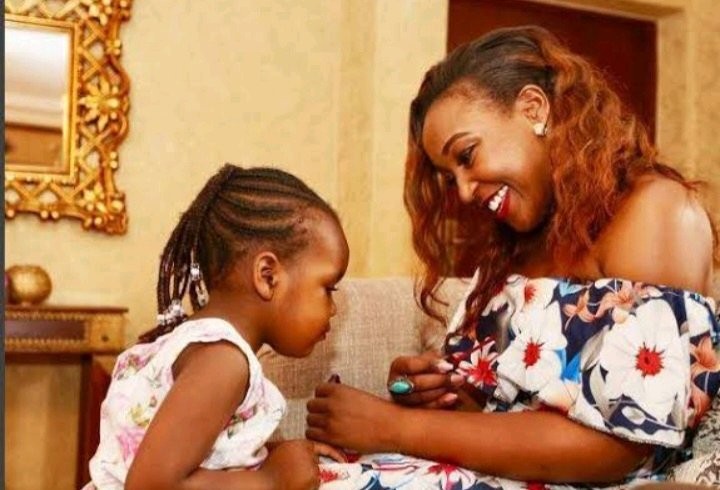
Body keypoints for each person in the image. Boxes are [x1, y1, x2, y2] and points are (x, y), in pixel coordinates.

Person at [306, 26, 719, 489]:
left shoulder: (656, 211)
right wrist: (442, 395)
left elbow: (620, 448)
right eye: (450, 177)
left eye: (467, 155)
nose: (464, 192)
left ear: (533, 108)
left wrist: (398, 428)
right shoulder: (516, 242)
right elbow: (505, 414)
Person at [84, 164, 349, 490]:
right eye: (328, 288)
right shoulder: (223, 362)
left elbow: (199, 457)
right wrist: (271, 479)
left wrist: (271, 456)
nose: (333, 308)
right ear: (267, 276)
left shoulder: (202, 344)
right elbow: (151, 485)